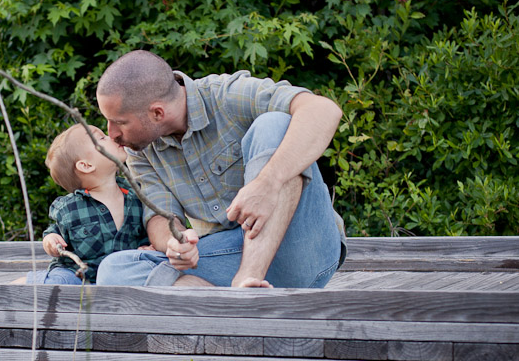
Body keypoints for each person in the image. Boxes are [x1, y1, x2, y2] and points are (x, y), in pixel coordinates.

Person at [94, 50, 347, 288]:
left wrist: (268, 183)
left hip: (307, 252)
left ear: (157, 112)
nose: (111, 134)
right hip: (231, 257)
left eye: (118, 122)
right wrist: (175, 241)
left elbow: (324, 110)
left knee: (274, 124)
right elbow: (160, 215)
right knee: (114, 271)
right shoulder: (140, 151)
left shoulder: (227, 95)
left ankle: (248, 280)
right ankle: (236, 304)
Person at [18, 123, 151, 285]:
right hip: (76, 274)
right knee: (58, 281)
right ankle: (6, 290)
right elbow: (53, 233)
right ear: (86, 165)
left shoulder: (136, 194)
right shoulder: (69, 208)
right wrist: (51, 241)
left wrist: (148, 246)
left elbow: (146, 229)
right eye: (102, 138)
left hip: (121, 273)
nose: (112, 137)